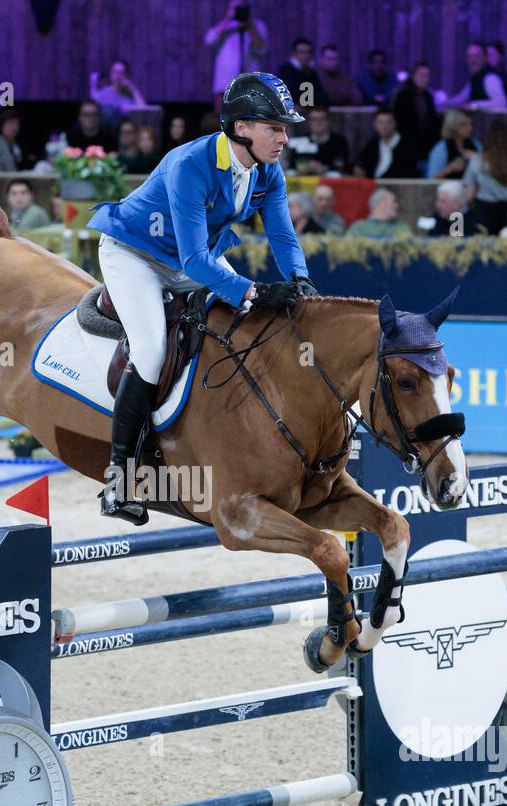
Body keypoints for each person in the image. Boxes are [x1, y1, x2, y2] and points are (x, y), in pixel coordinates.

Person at [87, 71, 315, 524]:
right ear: (242, 127)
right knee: (151, 351)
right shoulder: (189, 164)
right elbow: (193, 262)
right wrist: (253, 290)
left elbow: (283, 237)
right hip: (136, 255)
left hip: (192, 259)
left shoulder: (268, 171)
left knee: (248, 324)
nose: (285, 138)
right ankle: (120, 481)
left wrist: (301, 282)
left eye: (286, 128)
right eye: (275, 127)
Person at [462, 120, 507, 234]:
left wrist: (457, 214)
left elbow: (469, 193)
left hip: (486, 211)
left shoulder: (478, 160)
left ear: (488, 138)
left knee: (486, 246)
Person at [203, 1, 268, 97]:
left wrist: (250, 24)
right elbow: (208, 40)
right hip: (225, 81)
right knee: (224, 111)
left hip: (249, 81)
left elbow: (261, 49)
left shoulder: (258, 25)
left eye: (241, 7)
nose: (239, 10)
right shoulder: (225, 27)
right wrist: (227, 19)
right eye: (235, 8)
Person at [392, 61, 438, 170]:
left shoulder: (428, 96)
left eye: (428, 76)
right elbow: (401, 121)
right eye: (422, 75)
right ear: (413, 76)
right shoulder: (403, 96)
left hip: (425, 143)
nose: (425, 79)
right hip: (407, 143)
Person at [354, 109, 418, 179]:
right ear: (375, 125)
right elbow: (360, 162)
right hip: (373, 186)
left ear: (395, 124)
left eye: (388, 122)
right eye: (381, 123)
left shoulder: (407, 145)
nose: (385, 127)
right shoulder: (373, 145)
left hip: (398, 186)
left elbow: (407, 173)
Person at [445, 40, 506, 110]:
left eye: (477, 56)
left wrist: (474, 105)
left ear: (485, 58)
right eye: (469, 56)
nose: (472, 60)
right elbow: (460, 98)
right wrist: (443, 102)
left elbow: (501, 103)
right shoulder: (475, 78)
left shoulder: (490, 78)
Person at [289, 107, 349, 175]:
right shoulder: (300, 140)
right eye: (314, 120)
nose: (318, 123)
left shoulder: (339, 141)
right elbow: (291, 165)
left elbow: (342, 166)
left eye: (322, 119)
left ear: (329, 121)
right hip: (303, 178)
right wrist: (305, 166)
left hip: (328, 180)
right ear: (309, 122)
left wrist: (324, 168)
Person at [426, 109, 479, 181]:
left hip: (473, 190)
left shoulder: (476, 145)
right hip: (449, 190)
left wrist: (477, 157)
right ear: (453, 126)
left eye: (471, 124)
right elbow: (431, 179)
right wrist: (450, 168)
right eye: (464, 124)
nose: (469, 128)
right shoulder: (441, 149)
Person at [278, 38, 327, 108]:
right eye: (302, 52)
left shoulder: (312, 73)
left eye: (309, 52)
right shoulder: (285, 71)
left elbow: (319, 96)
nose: (306, 56)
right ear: (294, 53)